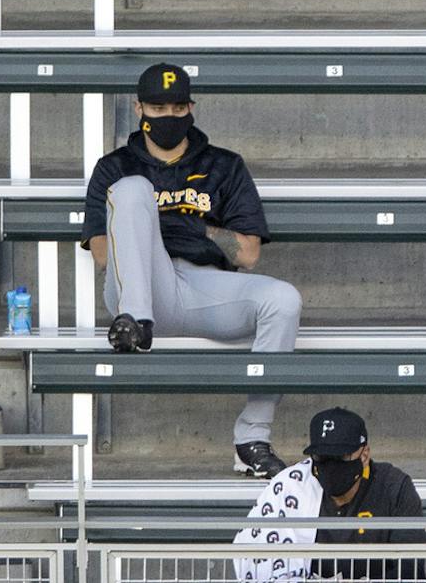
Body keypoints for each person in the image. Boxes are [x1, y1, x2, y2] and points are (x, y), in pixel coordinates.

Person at [80, 62, 301, 478]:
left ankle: (252, 435)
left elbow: (248, 254)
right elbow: (104, 254)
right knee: (131, 189)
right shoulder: (115, 166)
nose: (168, 117)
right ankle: (136, 323)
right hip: (140, 288)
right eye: (158, 108)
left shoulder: (223, 165)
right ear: (138, 108)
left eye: (177, 108)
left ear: (191, 108)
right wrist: (178, 229)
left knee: (283, 299)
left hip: (205, 286)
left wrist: (183, 226)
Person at [233, 406, 426, 581]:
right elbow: (260, 566)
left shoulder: (394, 487)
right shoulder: (292, 487)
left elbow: (409, 571)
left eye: (340, 457)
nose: (330, 466)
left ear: (364, 455)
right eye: (321, 457)